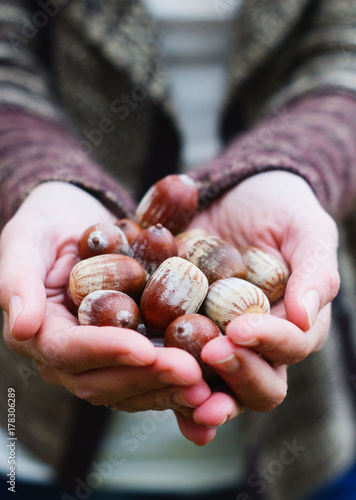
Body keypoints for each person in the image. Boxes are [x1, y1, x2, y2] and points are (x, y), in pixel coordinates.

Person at [0, 0, 356, 499]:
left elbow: (345, 60)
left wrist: (290, 169)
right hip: (33, 437)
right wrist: (38, 178)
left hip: (303, 436)